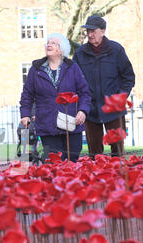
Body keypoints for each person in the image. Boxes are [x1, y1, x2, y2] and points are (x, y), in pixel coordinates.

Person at [20, 33, 91, 162]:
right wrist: (25, 114)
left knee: (72, 158)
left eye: (53, 43)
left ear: (61, 49)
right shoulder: (36, 69)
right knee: (53, 161)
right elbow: (27, 95)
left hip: (71, 122)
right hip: (47, 124)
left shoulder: (72, 67)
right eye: (48, 42)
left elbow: (84, 92)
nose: (49, 45)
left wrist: (83, 111)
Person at [73, 15, 135, 157]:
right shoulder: (80, 54)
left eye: (93, 31)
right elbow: (74, 80)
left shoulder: (116, 50)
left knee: (118, 154)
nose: (89, 34)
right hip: (90, 109)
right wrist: (82, 104)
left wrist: (120, 97)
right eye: (88, 31)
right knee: (95, 154)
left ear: (103, 31)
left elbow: (128, 77)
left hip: (114, 108)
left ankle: (119, 178)